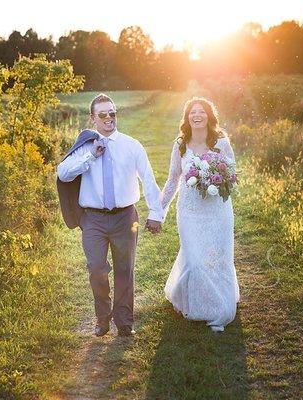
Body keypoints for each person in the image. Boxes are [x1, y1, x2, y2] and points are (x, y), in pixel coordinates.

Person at [57, 93, 163, 337]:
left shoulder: (131, 145)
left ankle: (124, 322)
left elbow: (148, 179)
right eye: (102, 114)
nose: (108, 118)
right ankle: (102, 318)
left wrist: (156, 212)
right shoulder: (84, 147)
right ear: (92, 118)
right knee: (96, 269)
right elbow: (63, 174)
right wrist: (91, 155)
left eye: (112, 113)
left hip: (126, 217)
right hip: (92, 219)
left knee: (125, 269)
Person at [161, 97, 240, 332]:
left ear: (209, 116)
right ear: (186, 118)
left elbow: (232, 172)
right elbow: (173, 179)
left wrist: (216, 177)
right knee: (195, 260)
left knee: (218, 258)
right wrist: (159, 209)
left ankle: (218, 307)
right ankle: (192, 299)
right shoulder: (180, 145)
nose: (197, 115)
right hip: (190, 211)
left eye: (201, 112)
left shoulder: (221, 141)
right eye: (192, 112)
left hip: (217, 211)